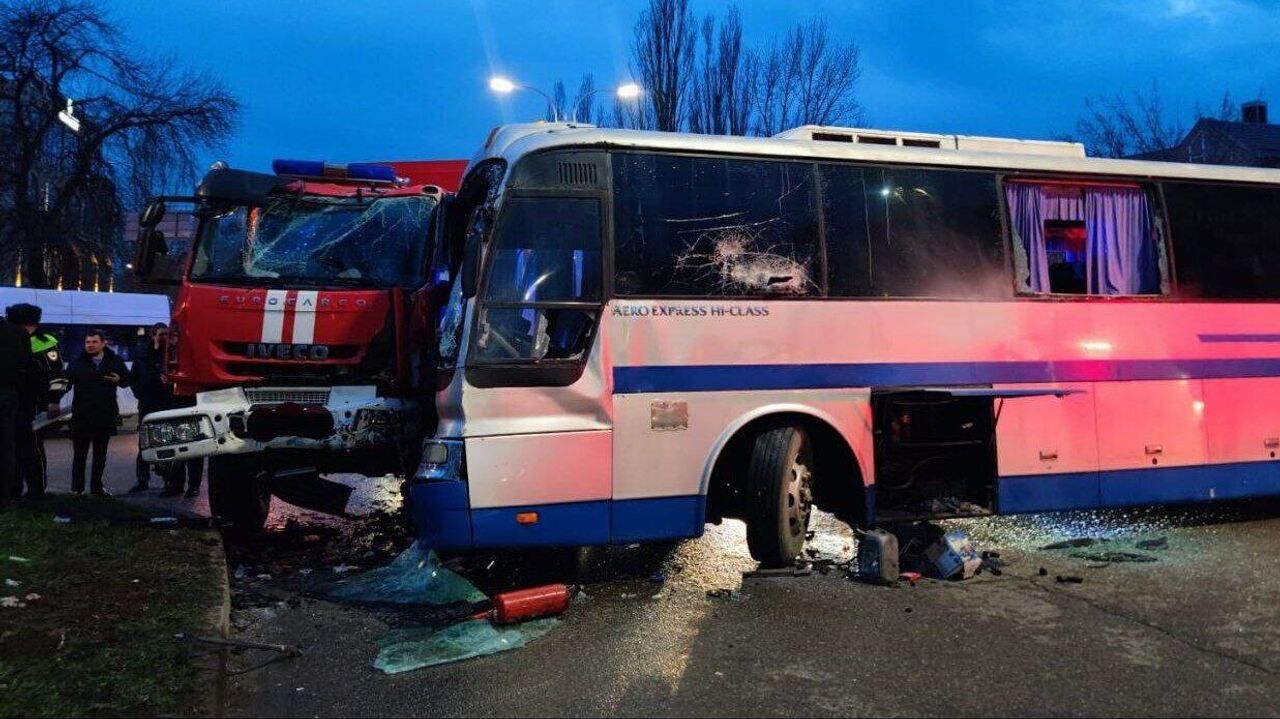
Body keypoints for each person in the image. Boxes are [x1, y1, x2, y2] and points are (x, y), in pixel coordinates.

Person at [5, 303, 67, 500]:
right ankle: (14, 491)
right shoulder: (12, 341)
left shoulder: (45, 342)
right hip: (15, 402)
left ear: (28, 326)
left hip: (36, 404)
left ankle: (36, 491)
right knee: (12, 448)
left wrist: (53, 401)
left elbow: (57, 374)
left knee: (31, 448)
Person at [65, 330, 130, 496]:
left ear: (103, 343)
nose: (90, 345)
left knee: (100, 455)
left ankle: (97, 488)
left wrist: (119, 380)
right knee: (79, 455)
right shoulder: (77, 362)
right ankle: (77, 489)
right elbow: (65, 383)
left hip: (104, 415)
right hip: (82, 415)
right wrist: (51, 401)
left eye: (94, 342)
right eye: (87, 342)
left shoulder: (114, 361)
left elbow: (127, 380)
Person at [0, 316, 30, 507]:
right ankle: (5, 496)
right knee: (5, 447)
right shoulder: (17, 332)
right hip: (7, 395)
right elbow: (25, 365)